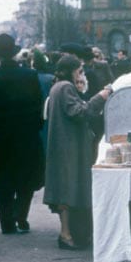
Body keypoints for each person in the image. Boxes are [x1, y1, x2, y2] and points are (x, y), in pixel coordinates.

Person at [43, 54, 111, 249]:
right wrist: (100, 97)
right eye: (79, 71)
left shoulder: (58, 87)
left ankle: (67, 233)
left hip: (64, 144)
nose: (81, 75)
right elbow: (80, 113)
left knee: (66, 189)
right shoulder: (65, 87)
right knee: (68, 189)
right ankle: (66, 235)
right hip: (69, 147)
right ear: (71, 71)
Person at [0, 33, 44, 234]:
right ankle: (21, 216)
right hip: (26, 135)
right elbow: (38, 106)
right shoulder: (30, 76)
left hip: (3, 138)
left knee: (4, 180)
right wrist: (35, 127)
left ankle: (7, 223)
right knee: (26, 178)